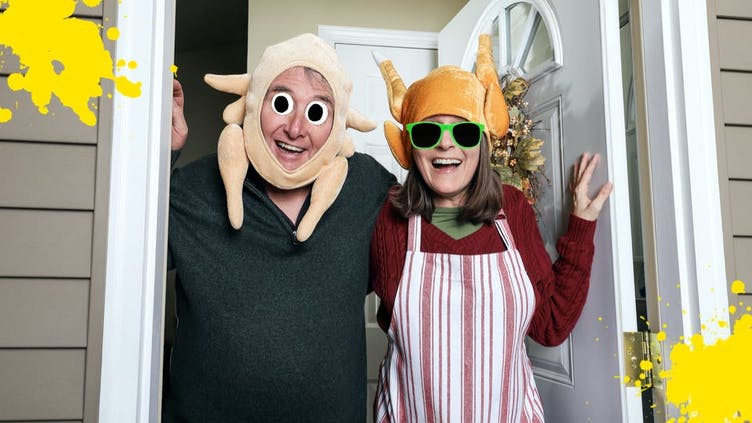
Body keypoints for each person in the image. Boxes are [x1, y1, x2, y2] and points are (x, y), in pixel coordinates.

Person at [369, 34, 613, 422]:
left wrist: (581, 225)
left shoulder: (511, 208)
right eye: (429, 133)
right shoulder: (388, 218)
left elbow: (550, 325)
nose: (446, 146)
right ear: (411, 146)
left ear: (481, 143)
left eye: (463, 132)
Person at [165, 33, 395, 422]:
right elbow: (124, 250)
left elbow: (428, 250)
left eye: (317, 112)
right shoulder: (194, 190)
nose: (295, 129)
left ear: (338, 124)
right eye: (282, 103)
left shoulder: (368, 189)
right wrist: (162, 152)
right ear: (253, 104)